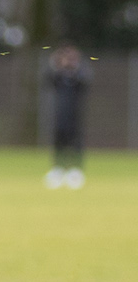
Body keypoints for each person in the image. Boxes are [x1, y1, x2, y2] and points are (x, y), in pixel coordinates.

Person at [45, 45, 91, 189]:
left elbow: (87, 79)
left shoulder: (78, 77)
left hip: (75, 117)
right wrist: (56, 61)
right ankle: (58, 169)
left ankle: (76, 170)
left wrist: (76, 63)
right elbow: (47, 76)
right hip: (60, 117)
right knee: (58, 143)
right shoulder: (58, 77)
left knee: (76, 144)